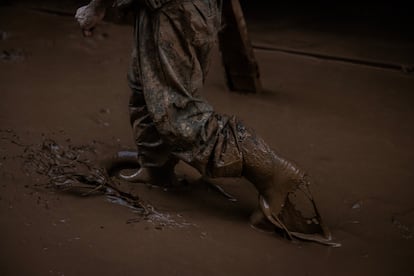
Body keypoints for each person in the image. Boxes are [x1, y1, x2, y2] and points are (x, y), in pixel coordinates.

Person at [76, 0, 336, 245]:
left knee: (180, 116)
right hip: (180, 8)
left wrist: (96, 7)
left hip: (174, 8)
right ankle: (157, 169)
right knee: (145, 86)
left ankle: (275, 175)